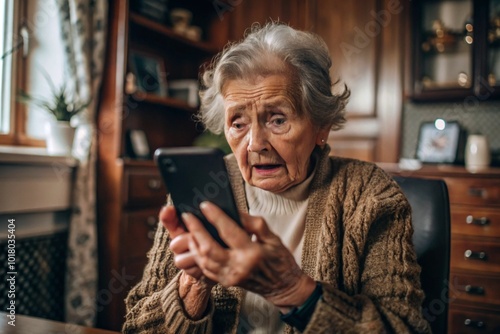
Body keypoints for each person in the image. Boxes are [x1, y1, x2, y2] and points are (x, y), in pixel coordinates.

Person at [123, 22, 431, 334]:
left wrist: (292, 290)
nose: (255, 143)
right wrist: (193, 283)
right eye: (238, 123)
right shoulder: (200, 187)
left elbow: (404, 328)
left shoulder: (370, 195)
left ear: (321, 126)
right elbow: (137, 328)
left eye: (278, 119)